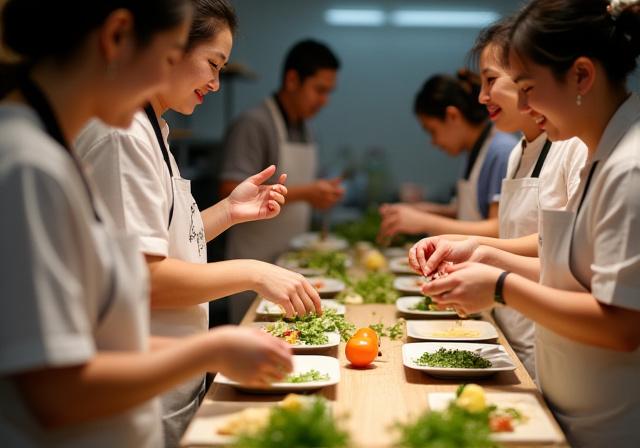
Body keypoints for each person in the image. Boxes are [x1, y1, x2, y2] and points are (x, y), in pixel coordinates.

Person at [0, 1, 293, 447]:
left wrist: (227, 214)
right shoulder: (31, 164)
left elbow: (99, 339)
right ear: (117, 37)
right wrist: (211, 348)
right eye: (171, 55)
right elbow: (57, 392)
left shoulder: (52, 150)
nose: (168, 78)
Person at [74, 1, 320, 445]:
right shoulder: (122, 136)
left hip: (169, 382)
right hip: (141, 388)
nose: (215, 82)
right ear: (168, 50)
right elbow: (145, 278)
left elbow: (165, 243)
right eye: (212, 64)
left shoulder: (153, 130)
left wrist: (229, 210)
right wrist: (254, 271)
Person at [412, 1, 640, 446]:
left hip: (609, 425)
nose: (525, 103)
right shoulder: (601, 155)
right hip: (567, 407)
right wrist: (483, 254)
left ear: (581, 76)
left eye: (529, 86)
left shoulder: (628, 167)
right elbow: (573, 277)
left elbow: (622, 326)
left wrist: (499, 284)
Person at [219, 38, 343, 322]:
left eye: (329, 92)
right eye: (319, 90)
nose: (324, 100)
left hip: (290, 259)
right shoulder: (254, 123)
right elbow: (227, 190)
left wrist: (319, 193)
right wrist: (309, 193)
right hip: (253, 261)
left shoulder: (306, 129)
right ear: (292, 79)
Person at [378, 70, 516, 240]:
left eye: (432, 131)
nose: (433, 142)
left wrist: (425, 221)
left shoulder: (500, 151)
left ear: (452, 116)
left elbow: (498, 229)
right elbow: (467, 213)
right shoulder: (474, 150)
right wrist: (419, 211)